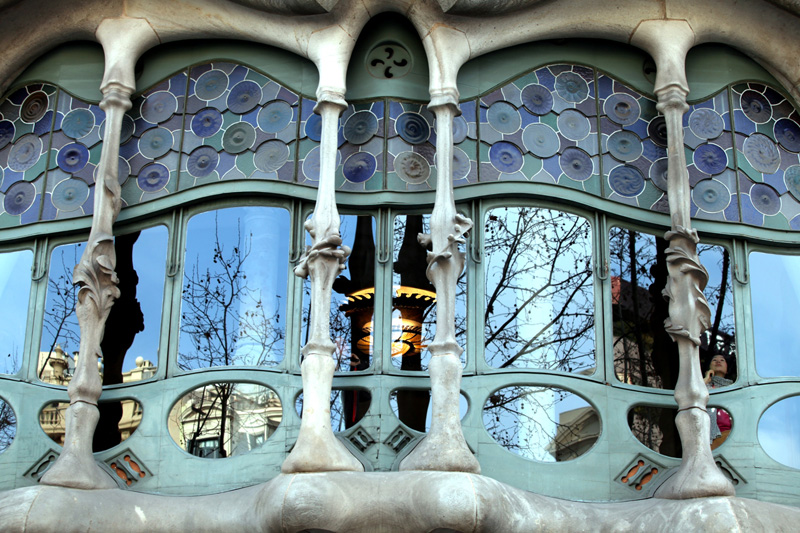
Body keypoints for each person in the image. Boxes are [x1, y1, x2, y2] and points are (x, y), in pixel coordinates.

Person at [704, 354, 733, 450]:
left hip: (731, 434)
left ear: (727, 369)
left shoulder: (733, 388)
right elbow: (691, 397)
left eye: (722, 360)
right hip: (711, 437)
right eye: (714, 360)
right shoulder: (704, 386)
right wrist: (705, 380)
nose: (718, 361)